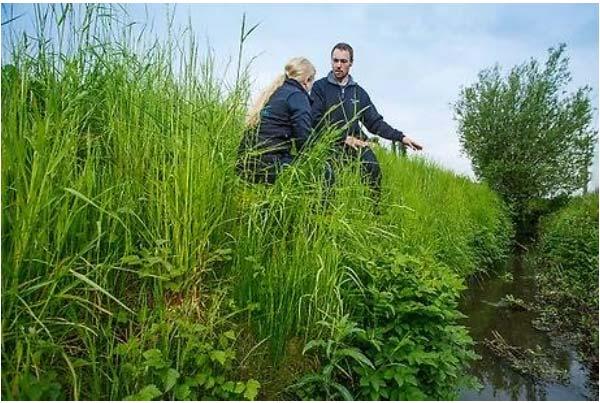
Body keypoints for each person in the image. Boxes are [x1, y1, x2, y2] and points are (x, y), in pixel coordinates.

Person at [311, 42, 423, 197]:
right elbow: (315, 119)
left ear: (351, 63)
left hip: (356, 144)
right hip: (328, 143)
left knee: (373, 167)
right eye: (335, 60)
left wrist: (400, 137)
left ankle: (375, 212)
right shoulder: (319, 87)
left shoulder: (359, 93)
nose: (338, 65)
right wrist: (343, 138)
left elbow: (374, 122)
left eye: (343, 61)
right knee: (330, 176)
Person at [236, 57, 317, 185]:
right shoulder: (297, 96)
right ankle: (321, 205)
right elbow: (304, 139)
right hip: (268, 166)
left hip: (243, 165)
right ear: (307, 80)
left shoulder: (273, 93)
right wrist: (316, 156)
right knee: (323, 171)